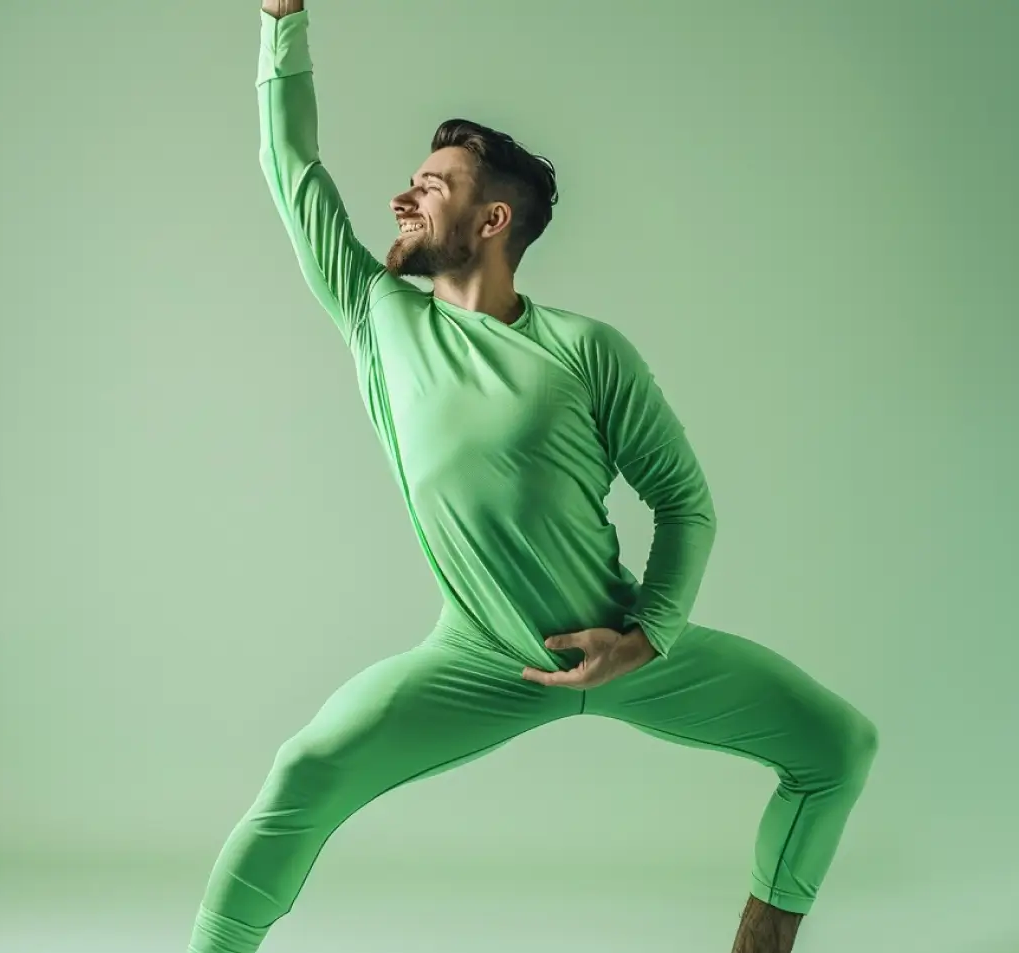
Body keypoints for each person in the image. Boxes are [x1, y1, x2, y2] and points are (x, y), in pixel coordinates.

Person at [187, 2, 879, 951]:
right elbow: (290, 167)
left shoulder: (586, 349)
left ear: (491, 219)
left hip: (630, 650)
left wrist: (647, 637)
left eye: (430, 186)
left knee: (836, 745)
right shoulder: (380, 315)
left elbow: (683, 504)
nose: (402, 199)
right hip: (478, 661)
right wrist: (281, 17)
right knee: (305, 768)